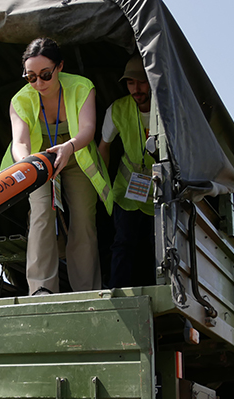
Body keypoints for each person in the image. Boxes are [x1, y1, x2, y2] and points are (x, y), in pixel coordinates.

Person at [1, 37, 113, 295]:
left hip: (75, 154)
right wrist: (28, 163)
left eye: (45, 75)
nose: (38, 83)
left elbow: (88, 129)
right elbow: (19, 141)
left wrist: (69, 148)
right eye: (31, 77)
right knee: (41, 215)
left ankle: (87, 290)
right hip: (38, 161)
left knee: (84, 220)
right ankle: (40, 289)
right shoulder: (20, 100)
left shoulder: (83, 87)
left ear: (60, 67)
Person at [97, 56, 157, 288]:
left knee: (160, 246)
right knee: (122, 242)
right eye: (130, 83)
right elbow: (104, 146)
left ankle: (162, 292)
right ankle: (116, 291)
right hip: (127, 187)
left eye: (141, 82)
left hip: (161, 189)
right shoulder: (117, 109)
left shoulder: (167, 110)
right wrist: (102, 185)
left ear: (151, 81)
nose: (136, 89)